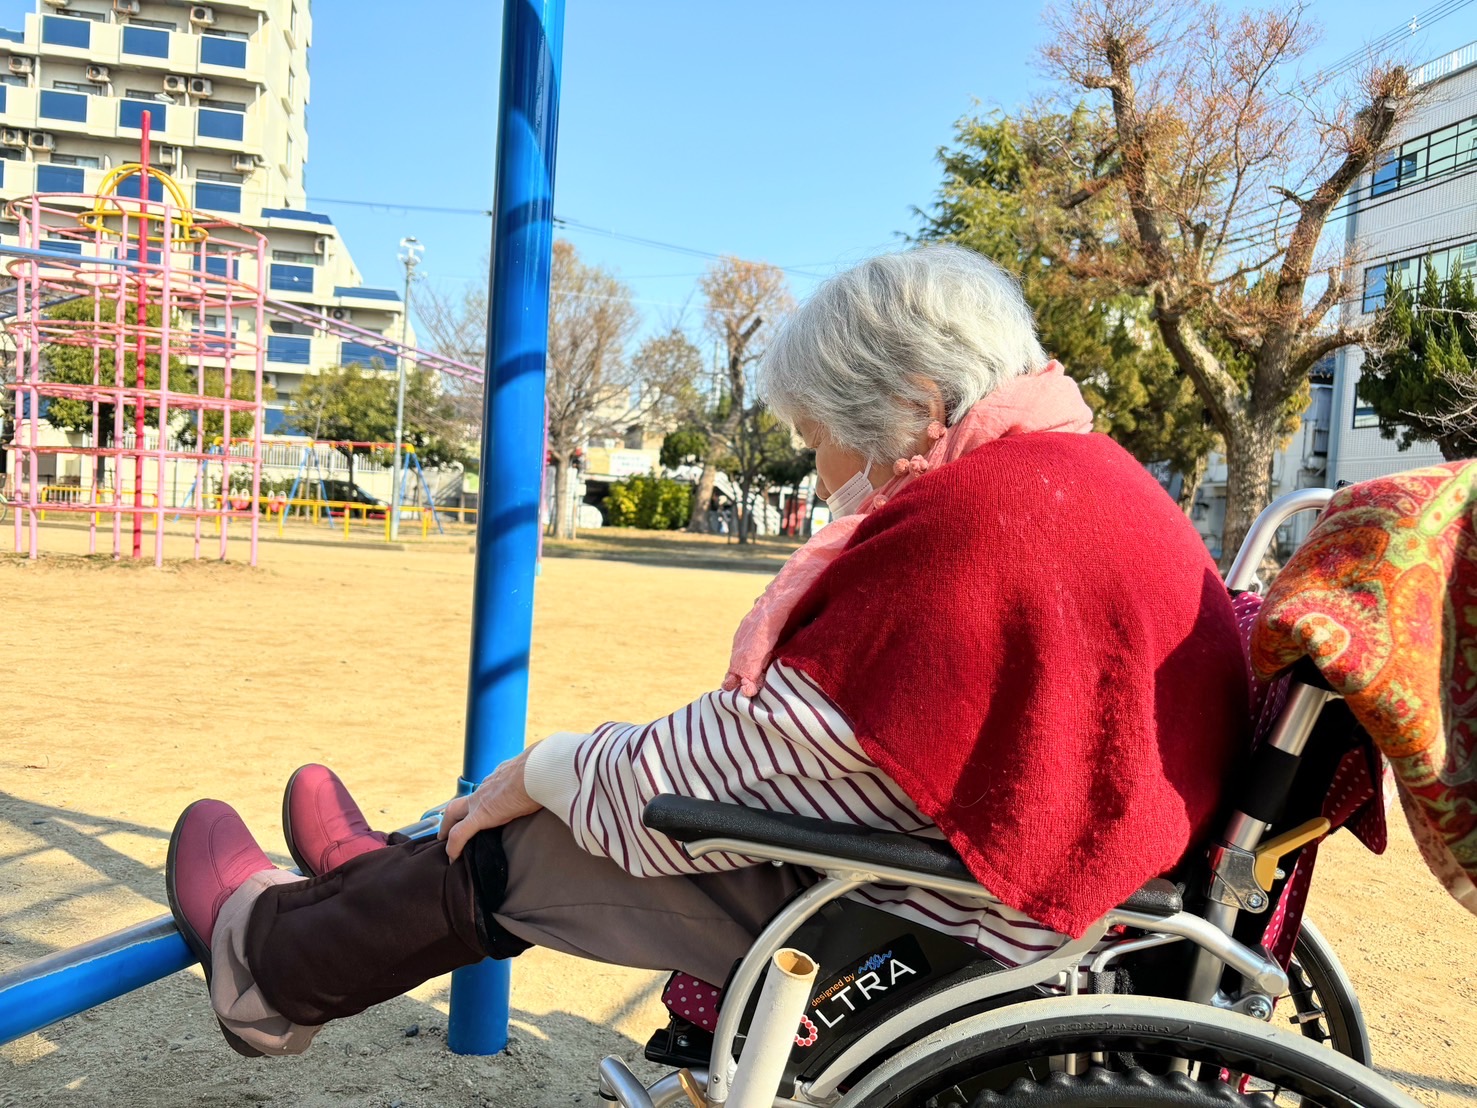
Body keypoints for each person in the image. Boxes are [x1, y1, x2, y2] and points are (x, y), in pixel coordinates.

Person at [166, 244, 1249, 1058]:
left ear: (913, 409)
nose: (822, 475)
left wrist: (547, 769)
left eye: (820, 439)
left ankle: (270, 968)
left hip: (959, 929)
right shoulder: (1081, 477)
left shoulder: (981, 520)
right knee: (583, 788)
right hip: (1053, 900)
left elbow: (756, 759)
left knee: (555, 830)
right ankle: (372, 886)